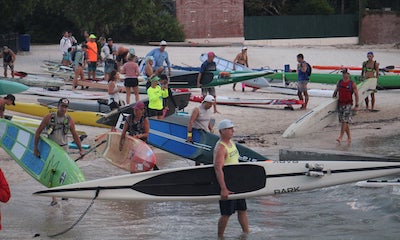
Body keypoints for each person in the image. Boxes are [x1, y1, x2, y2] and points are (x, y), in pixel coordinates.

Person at [34, 98, 84, 206]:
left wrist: (80, 149)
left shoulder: (69, 119)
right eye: (62, 106)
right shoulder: (49, 117)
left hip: (64, 148)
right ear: (58, 106)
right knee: (52, 172)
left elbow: (75, 135)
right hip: (52, 149)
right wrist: (35, 148)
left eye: (66, 107)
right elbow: (38, 132)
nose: (63, 109)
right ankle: (54, 198)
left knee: (64, 170)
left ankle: (64, 193)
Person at [213, 119, 249, 239]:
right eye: (229, 129)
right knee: (226, 213)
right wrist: (223, 188)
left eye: (232, 128)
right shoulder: (220, 148)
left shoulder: (231, 142)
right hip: (227, 184)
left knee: (242, 209)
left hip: (237, 183)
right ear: (222, 131)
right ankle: (220, 236)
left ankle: (246, 233)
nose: (232, 131)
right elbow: (218, 168)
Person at [333, 69, 359, 144]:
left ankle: (340, 137)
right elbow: (336, 91)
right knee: (344, 122)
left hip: (348, 104)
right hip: (340, 104)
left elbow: (356, 95)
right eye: (343, 73)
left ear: (349, 74)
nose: (344, 74)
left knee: (344, 120)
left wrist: (356, 105)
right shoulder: (339, 82)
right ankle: (349, 137)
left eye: (345, 73)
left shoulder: (352, 83)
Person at [188, 95, 215, 165]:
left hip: (206, 133)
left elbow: (207, 120)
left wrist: (211, 128)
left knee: (206, 152)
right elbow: (191, 122)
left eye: (212, 104)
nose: (211, 106)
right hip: (198, 133)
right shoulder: (197, 109)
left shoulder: (209, 110)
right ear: (205, 102)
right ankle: (197, 167)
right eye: (209, 104)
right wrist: (189, 135)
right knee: (199, 154)